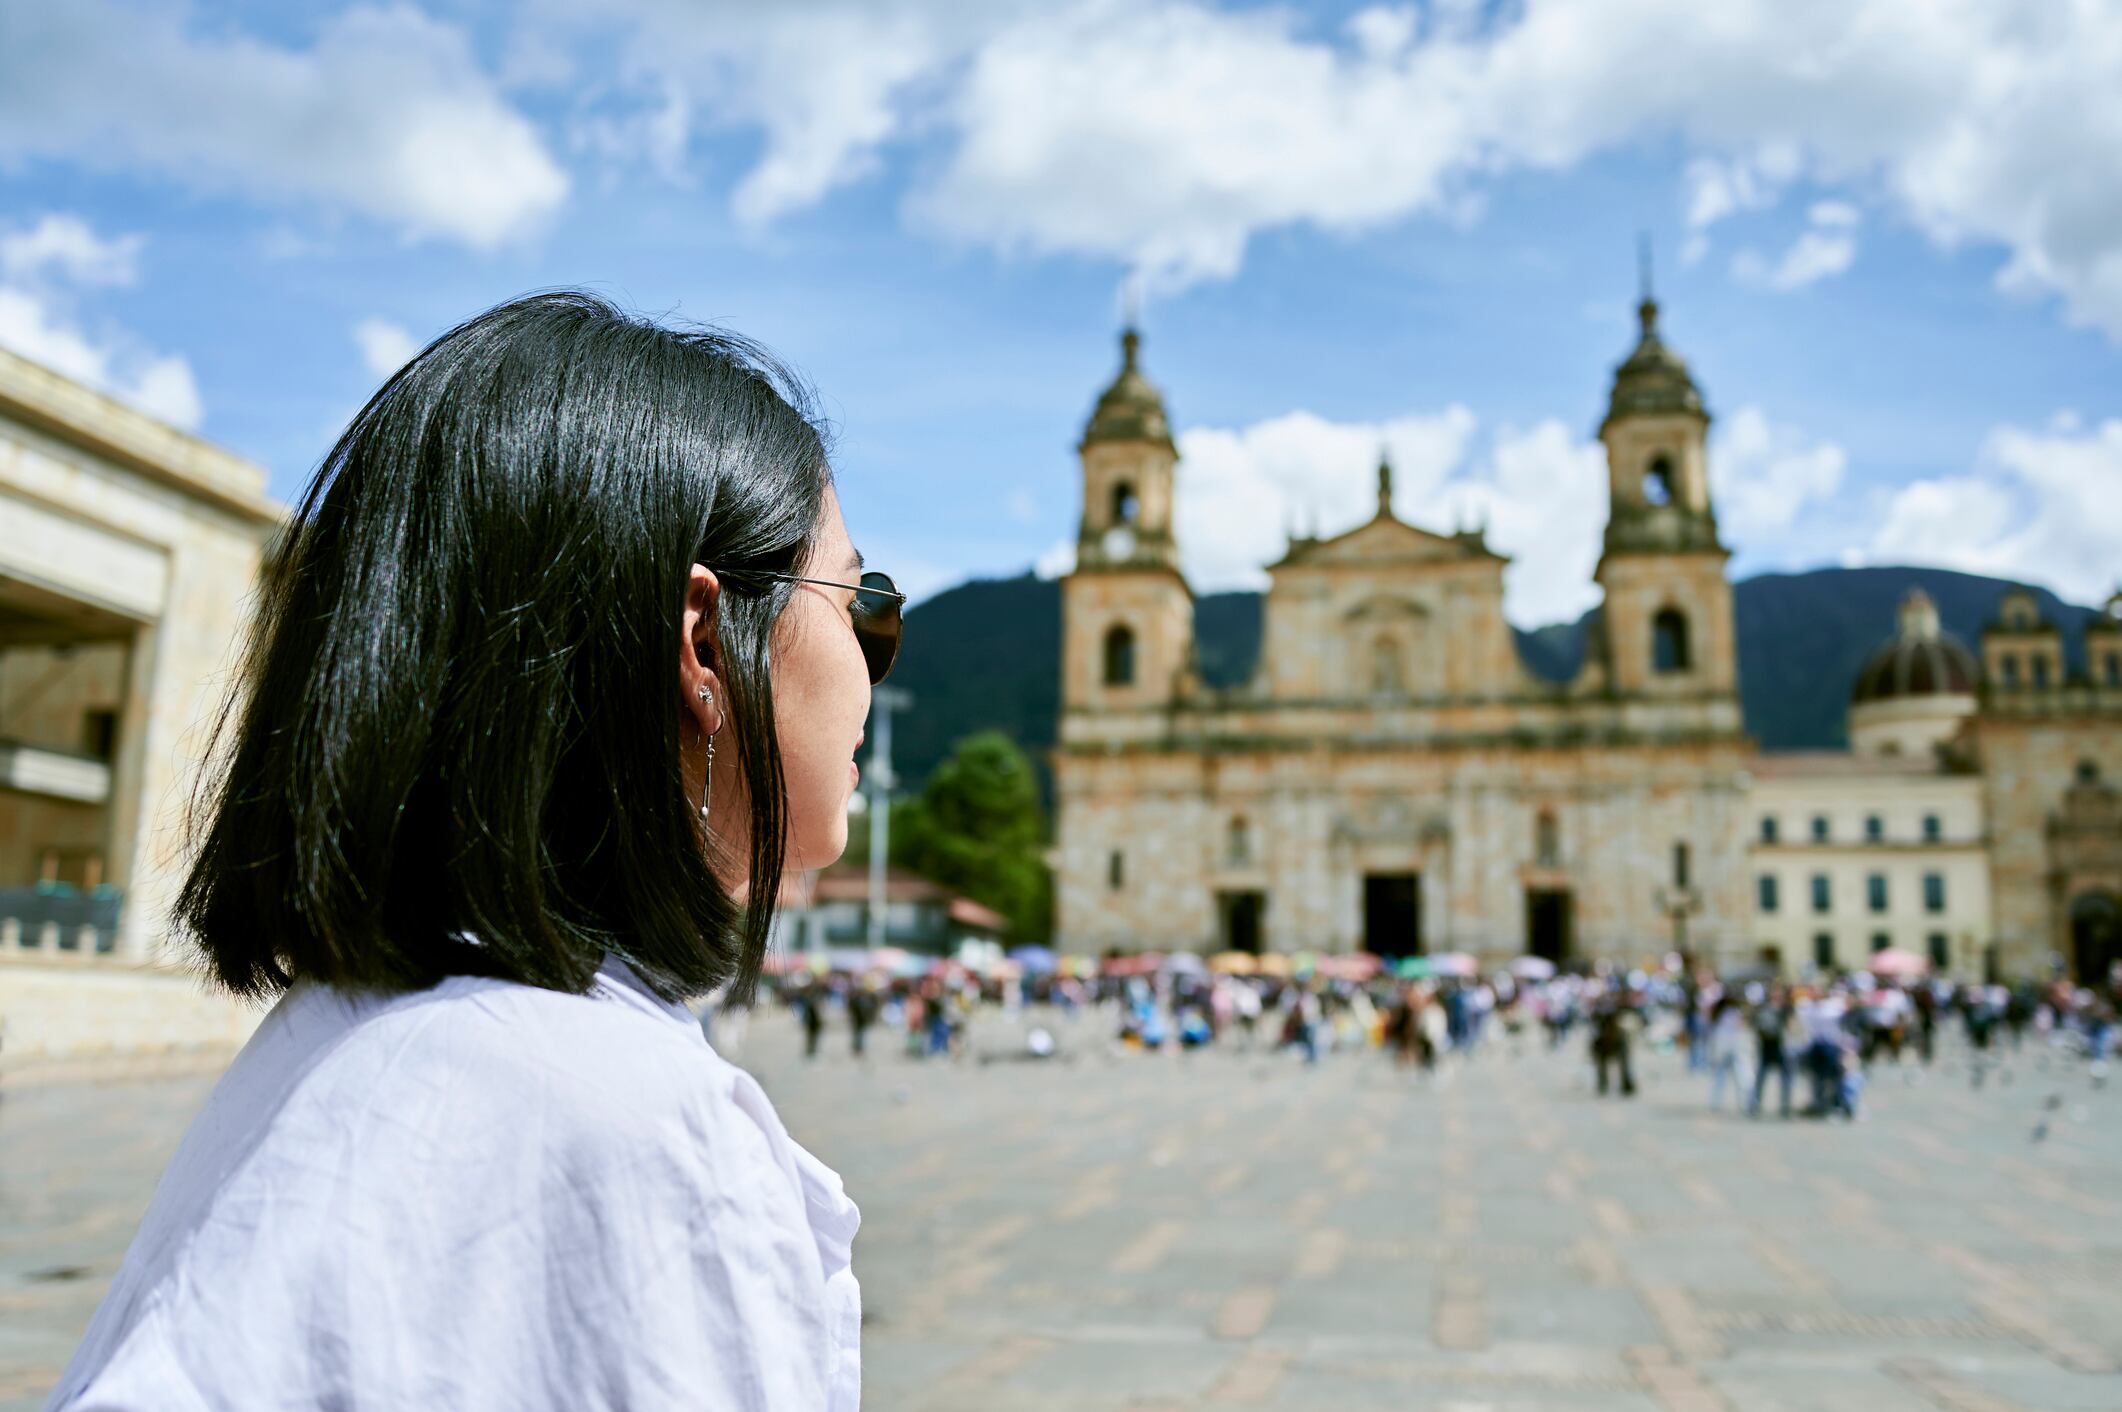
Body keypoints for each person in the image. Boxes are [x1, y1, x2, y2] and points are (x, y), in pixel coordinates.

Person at [46, 293, 896, 1411]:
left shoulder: (347, 1033)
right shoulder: (626, 1129)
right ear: (702, 642)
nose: (873, 667)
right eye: (861, 604)